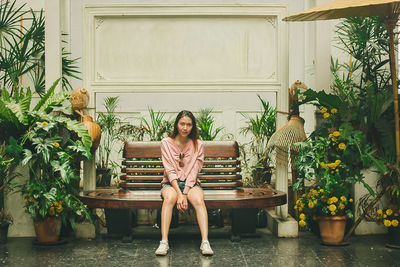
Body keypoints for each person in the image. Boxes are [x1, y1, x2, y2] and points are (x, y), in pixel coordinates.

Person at [155, 110, 214, 256]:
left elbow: (194, 171)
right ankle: (164, 242)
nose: (185, 128)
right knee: (169, 198)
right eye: (182, 124)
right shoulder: (166, 143)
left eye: (188, 124)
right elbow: (169, 171)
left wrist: (185, 192)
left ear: (193, 127)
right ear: (176, 125)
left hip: (191, 184)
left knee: (199, 200)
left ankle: (205, 242)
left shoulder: (198, 144)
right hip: (171, 183)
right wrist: (179, 194)